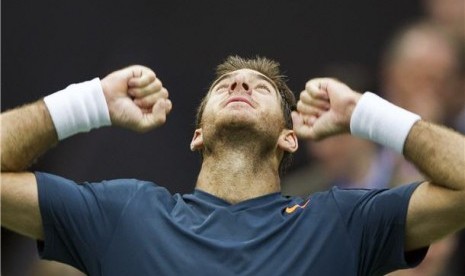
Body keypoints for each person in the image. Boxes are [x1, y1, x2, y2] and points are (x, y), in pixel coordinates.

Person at [1, 56, 464, 275]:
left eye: (260, 86)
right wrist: (88, 103)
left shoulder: (342, 221)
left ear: (289, 137)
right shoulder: (122, 212)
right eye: (226, 84)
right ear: (198, 133)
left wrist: (367, 114)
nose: (241, 81)